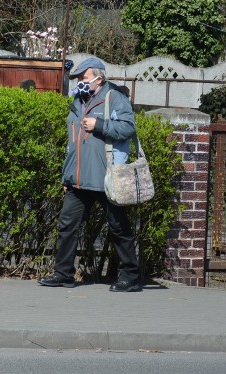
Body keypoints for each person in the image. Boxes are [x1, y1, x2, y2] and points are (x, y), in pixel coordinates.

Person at [38, 57, 142, 292]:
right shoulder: (78, 101)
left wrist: (100, 125)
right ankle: (63, 274)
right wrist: (66, 176)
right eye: (78, 79)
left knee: (118, 227)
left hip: (108, 177)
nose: (79, 83)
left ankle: (130, 277)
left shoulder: (115, 98)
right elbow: (71, 143)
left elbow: (128, 127)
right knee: (67, 226)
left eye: (83, 78)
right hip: (77, 177)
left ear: (99, 78)